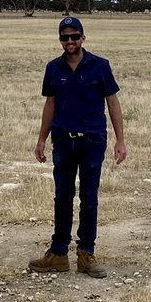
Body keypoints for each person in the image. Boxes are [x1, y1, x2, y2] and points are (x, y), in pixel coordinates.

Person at [28, 15, 126, 278]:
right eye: (64, 37)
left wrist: (121, 140)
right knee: (62, 196)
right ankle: (59, 253)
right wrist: (41, 139)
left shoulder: (101, 66)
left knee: (89, 197)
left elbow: (112, 103)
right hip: (63, 139)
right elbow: (50, 104)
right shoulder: (53, 68)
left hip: (93, 140)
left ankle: (86, 253)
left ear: (83, 37)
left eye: (74, 36)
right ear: (60, 40)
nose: (69, 41)